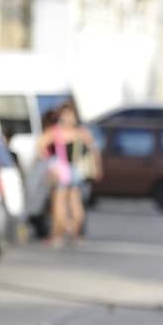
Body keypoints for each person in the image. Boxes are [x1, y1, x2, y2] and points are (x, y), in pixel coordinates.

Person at [37, 103, 99, 247]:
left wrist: (49, 160)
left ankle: (58, 235)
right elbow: (93, 150)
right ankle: (76, 234)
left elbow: (40, 146)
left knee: (59, 204)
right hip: (77, 171)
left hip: (61, 170)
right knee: (76, 203)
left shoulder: (56, 132)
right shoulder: (82, 133)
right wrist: (95, 168)